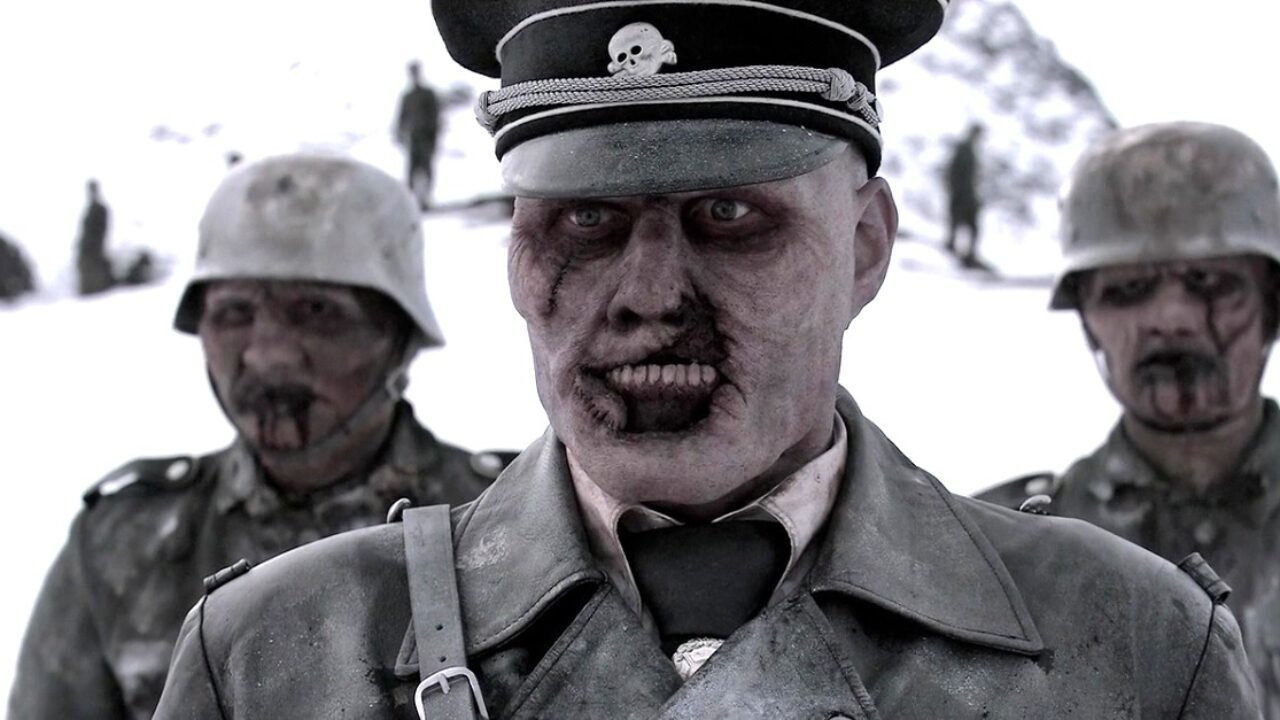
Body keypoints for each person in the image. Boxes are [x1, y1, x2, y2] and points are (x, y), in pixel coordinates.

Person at [155, 5, 1260, 718]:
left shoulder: (1133, 650)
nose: (647, 294)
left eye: (728, 216)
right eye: (584, 221)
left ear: (865, 249)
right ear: (514, 257)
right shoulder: (276, 661)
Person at [8, 154, 502, 720]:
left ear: (400, 337)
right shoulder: (123, 545)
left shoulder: (507, 521)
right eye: (234, 313)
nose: (267, 355)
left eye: (315, 310)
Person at [977, 121, 1280, 717]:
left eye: (1210, 283)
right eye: (1128, 290)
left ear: (1272, 305)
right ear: (1088, 318)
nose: (1171, 319)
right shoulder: (1001, 555)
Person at [395, 60, 441, 211]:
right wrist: (399, 133)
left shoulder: (428, 94)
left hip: (427, 138)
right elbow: (402, 117)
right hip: (412, 138)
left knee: (426, 169)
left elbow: (435, 116)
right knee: (411, 170)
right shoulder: (407, 96)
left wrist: (433, 135)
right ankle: (410, 203)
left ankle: (425, 200)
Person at [945, 122, 985, 267]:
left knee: (967, 226)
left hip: (964, 195)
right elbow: (958, 175)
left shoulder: (968, 150)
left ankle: (968, 253)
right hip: (962, 195)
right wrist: (962, 193)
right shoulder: (965, 151)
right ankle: (961, 252)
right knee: (964, 224)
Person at [77, 178, 113, 295]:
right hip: (88, 251)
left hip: (95, 250)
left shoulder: (100, 209)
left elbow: (100, 230)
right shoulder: (91, 209)